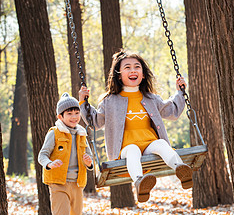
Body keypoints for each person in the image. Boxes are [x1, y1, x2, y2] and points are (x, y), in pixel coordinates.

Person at [78, 50, 193, 203]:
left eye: (137, 67)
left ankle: (182, 171)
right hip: (124, 149)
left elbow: (172, 112)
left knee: (162, 144)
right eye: (127, 67)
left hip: (149, 145)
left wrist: (180, 93)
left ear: (143, 74)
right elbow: (96, 122)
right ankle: (140, 183)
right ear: (119, 75)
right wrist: (83, 103)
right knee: (132, 150)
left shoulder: (151, 98)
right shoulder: (110, 101)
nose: (133, 70)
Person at [38, 93, 93, 215]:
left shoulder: (82, 134)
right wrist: (49, 164)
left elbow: (90, 158)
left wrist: (89, 162)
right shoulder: (54, 133)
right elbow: (42, 155)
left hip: (77, 184)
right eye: (69, 113)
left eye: (76, 113)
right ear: (60, 116)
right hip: (58, 184)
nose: (74, 117)